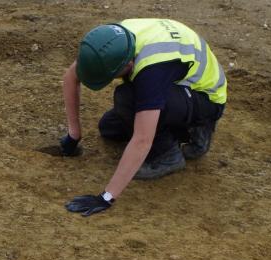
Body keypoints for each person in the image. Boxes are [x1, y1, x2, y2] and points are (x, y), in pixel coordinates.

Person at [60, 19, 227, 216]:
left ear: (128, 63)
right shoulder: (111, 42)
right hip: (177, 82)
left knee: (127, 98)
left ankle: (170, 153)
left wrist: (105, 197)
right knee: (109, 128)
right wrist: (74, 135)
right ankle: (179, 128)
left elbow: (142, 140)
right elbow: (71, 76)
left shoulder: (152, 70)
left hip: (206, 98)